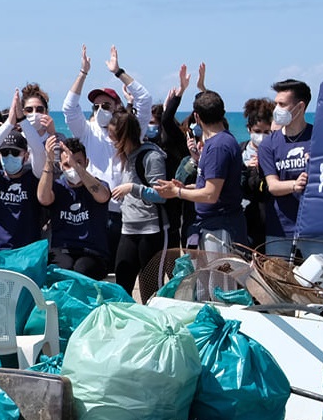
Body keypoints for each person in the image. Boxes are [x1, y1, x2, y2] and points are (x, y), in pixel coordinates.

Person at [60, 45, 156, 257]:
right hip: (95, 210)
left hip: (128, 212)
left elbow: (145, 99)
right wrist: (83, 73)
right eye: (96, 107)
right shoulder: (87, 131)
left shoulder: (130, 130)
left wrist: (118, 72)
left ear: (116, 106)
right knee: (98, 266)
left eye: (106, 105)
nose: (100, 110)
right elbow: (69, 108)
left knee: (124, 266)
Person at [156, 90, 246, 295]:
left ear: (197, 117)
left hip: (220, 228)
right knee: (206, 289)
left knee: (221, 291)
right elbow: (210, 186)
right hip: (211, 226)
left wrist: (178, 192)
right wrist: (183, 187)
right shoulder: (219, 142)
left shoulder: (218, 147)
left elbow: (210, 194)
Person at [258, 79, 323, 274]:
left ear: (300, 107)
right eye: (276, 103)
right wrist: (294, 185)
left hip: (314, 228)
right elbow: (273, 186)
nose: (277, 109)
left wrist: (317, 167)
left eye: (282, 104)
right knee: (277, 285)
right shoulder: (268, 144)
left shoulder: (319, 139)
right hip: (279, 230)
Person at [109, 109, 172, 300]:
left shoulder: (151, 157)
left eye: (113, 136)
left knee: (151, 289)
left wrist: (132, 188)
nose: (111, 140)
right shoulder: (126, 157)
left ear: (124, 136)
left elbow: (161, 195)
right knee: (122, 285)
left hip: (152, 230)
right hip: (128, 229)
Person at [37, 136, 114, 278]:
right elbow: (43, 198)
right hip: (63, 250)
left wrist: (78, 168)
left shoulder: (98, 185)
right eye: (67, 164)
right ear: (60, 165)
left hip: (92, 253)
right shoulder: (57, 187)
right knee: (63, 269)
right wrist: (48, 162)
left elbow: (103, 196)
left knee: (81, 269)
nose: (72, 168)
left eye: (78, 162)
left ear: (86, 162)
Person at [0, 127, 43, 251]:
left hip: (27, 252)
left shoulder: (34, 177)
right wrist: (9, 123)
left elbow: (39, 152)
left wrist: (22, 120)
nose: (9, 156)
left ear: (26, 156)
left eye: (15, 153)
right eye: (4, 153)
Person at [240, 97, 275, 251]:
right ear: (249, 129)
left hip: (270, 218)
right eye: (257, 131)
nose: (261, 136)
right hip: (245, 218)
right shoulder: (240, 150)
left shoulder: (276, 151)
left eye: (266, 132)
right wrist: (246, 169)